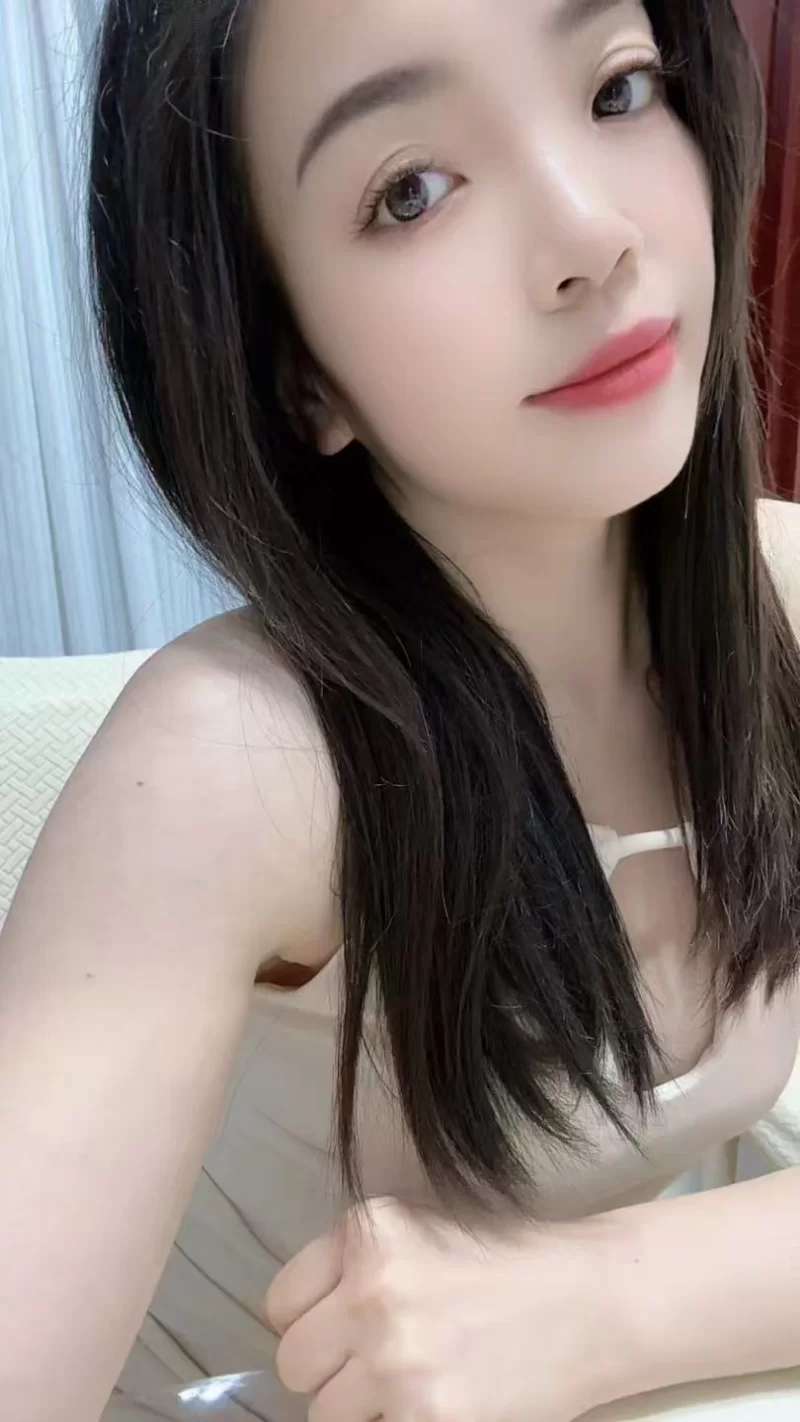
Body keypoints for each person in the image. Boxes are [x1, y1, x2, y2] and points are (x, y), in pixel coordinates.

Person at [2, 0, 800, 1418]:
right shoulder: (239, 763)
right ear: (296, 369)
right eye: (412, 190)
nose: (590, 234)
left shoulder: (781, 600)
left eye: (618, 91)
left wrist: (603, 1299)